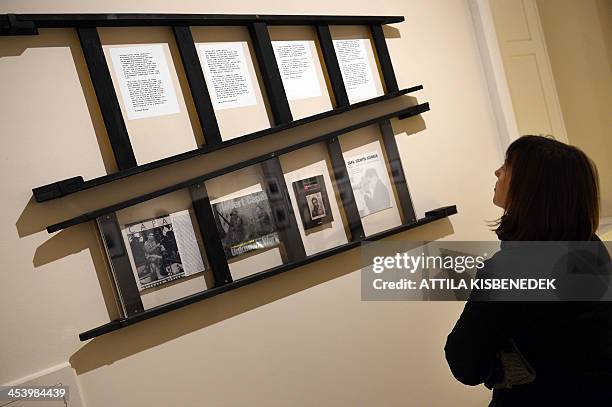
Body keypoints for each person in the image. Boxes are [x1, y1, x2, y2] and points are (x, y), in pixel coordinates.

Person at [444, 135, 612, 406]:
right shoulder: (591, 249)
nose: (497, 172)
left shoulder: (511, 270)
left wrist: (503, 367)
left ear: (531, 188)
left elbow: (465, 363)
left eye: (508, 165)